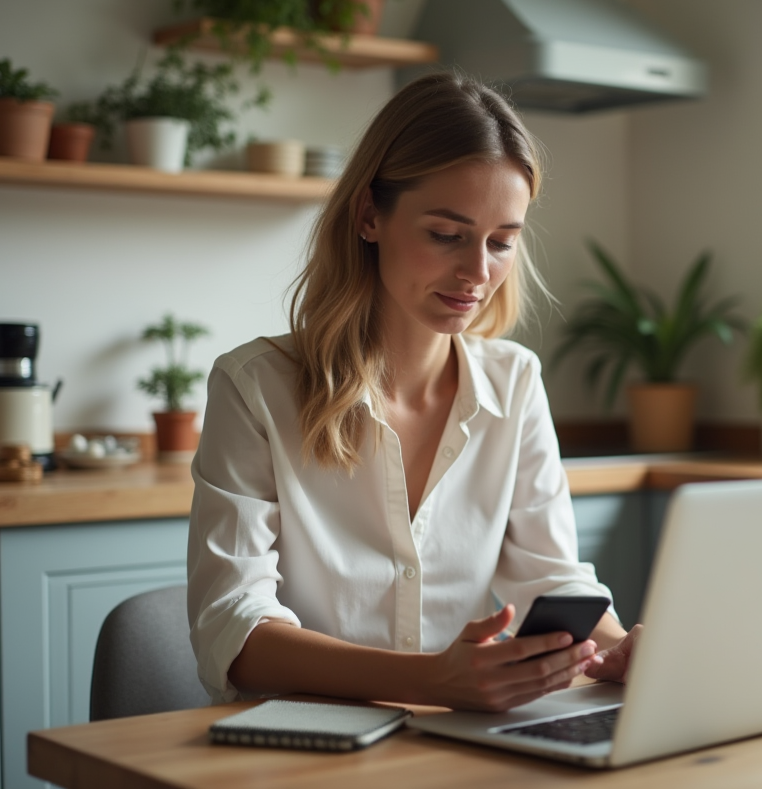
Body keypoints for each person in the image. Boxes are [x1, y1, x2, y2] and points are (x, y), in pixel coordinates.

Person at [187, 72, 640, 713]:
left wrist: (619, 648)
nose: (478, 272)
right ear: (370, 215)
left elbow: (551, 580)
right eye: (446, 235)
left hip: (450, 750)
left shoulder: (515, 383)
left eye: (502, 242)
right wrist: (429, 681)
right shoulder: (255, 388)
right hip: (295, 753)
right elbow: (233, 629)